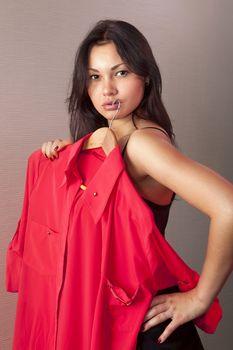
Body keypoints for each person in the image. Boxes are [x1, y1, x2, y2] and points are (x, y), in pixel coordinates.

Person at [7, 19, 233, 350]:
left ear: (146, 76)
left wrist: (199, 299)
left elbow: (228, 207)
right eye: (95, 77)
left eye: (121, 73)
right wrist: (68, 156)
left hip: (143, 331)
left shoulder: (142, 144)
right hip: (114, 323)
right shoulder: (112, 140)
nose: (107, 89)